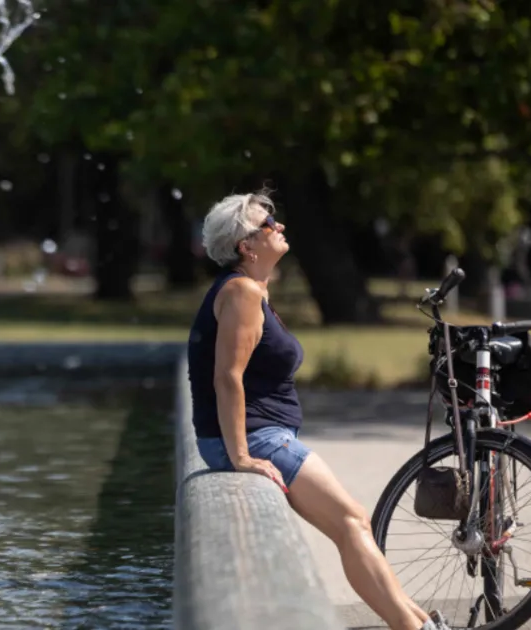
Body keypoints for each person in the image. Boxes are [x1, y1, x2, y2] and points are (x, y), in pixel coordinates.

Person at [186, 191, 451, 630]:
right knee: (350, 521)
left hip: (263, 435)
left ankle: (420, 621)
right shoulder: (241, 293)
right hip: (255, 439)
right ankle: (416, 629)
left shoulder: (254, 291)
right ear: (245, 246)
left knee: (355, 522)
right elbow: (226, 378)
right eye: (268, 223)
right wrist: (242, 458)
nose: (280, 226)